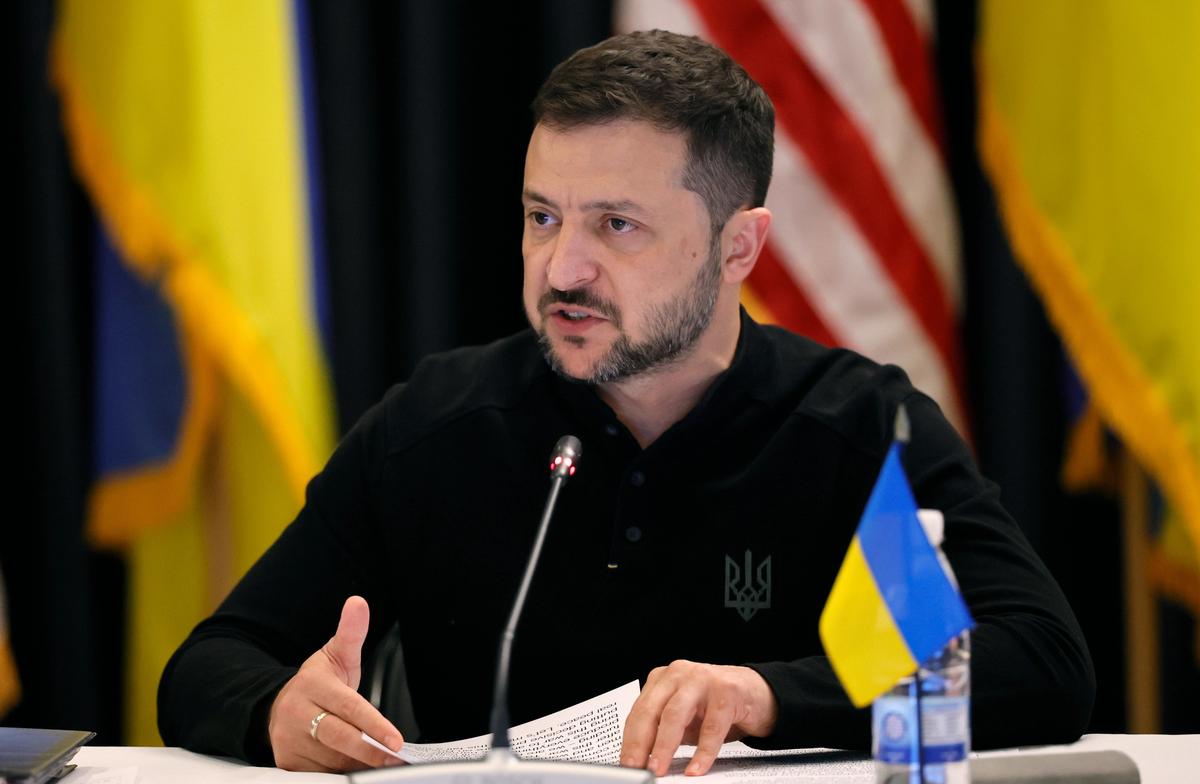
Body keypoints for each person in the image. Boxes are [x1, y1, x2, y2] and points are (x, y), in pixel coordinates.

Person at [158, 30, 1095, 776]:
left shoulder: (845, 432)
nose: (563, 268)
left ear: (738, 248)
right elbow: (212, 662)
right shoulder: (440, 429)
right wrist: (275, 709)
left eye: (617, 225)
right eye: (542, 217)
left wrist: (764, 698)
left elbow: (1038, 662)